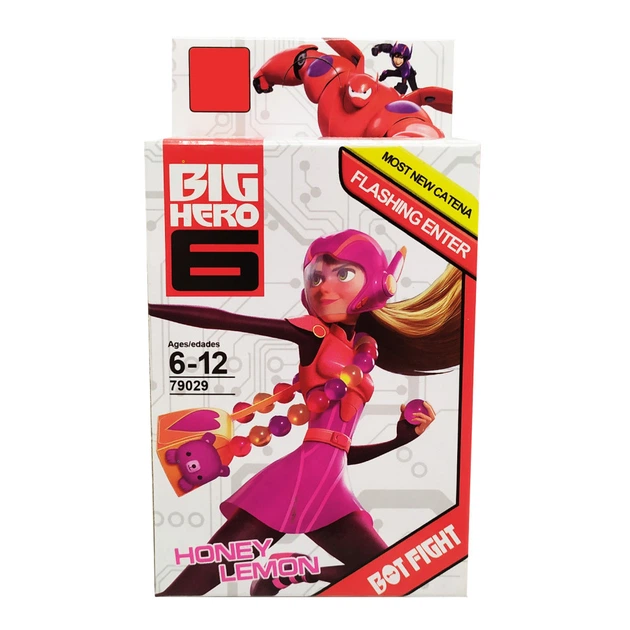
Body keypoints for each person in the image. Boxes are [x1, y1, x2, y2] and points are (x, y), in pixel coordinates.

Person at [150, 229, 462, 595]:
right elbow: (226, 320)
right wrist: (147, 307)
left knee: (390, 573)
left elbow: (339, 451)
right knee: (183, 594)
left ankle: (290, 573)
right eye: (316, 277)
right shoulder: (314, 335)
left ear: (378, 283)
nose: (323, 286)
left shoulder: (363, 349)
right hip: (293, 483)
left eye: (342, 273)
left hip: (331, 488)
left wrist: (398, 440)